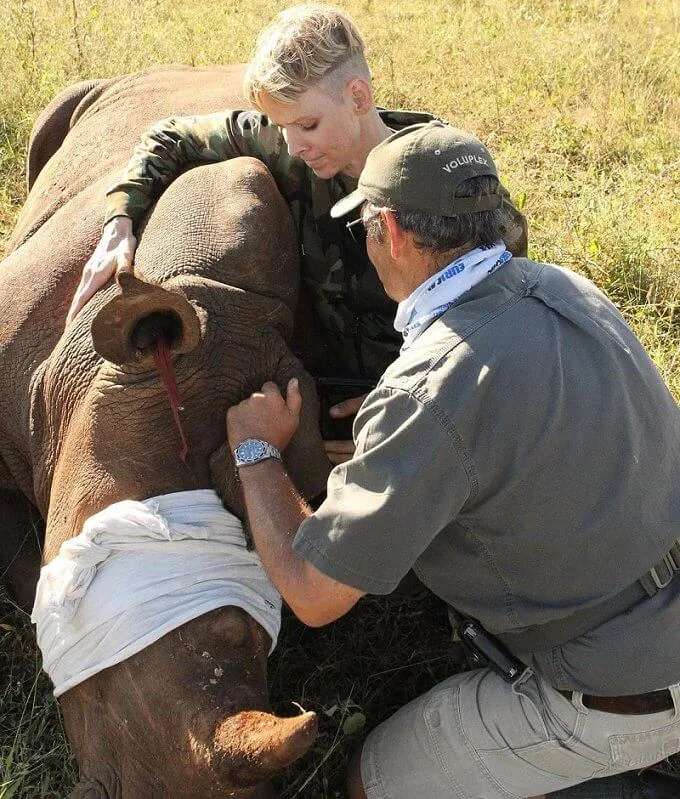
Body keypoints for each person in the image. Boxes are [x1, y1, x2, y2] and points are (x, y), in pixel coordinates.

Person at [225, 122, 680, 799]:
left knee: (371, 777)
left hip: (613, 692)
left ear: (396, 235)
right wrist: (412, 440)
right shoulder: (565, 287)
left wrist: (256, 448)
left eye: (368, 230)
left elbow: (312, 593)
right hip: (658, 610)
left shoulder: (431, 392)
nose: (369, 243)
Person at [65, 2, 527, 463]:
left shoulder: (453, 185)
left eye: (307, 124)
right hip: (320, 393)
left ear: (358, 98)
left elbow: (502, 332)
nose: (293, 145)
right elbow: (168, 137)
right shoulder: (295, 148)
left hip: (426, 400)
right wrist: (120, 221)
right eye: (284, 127)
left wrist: (413, 411)